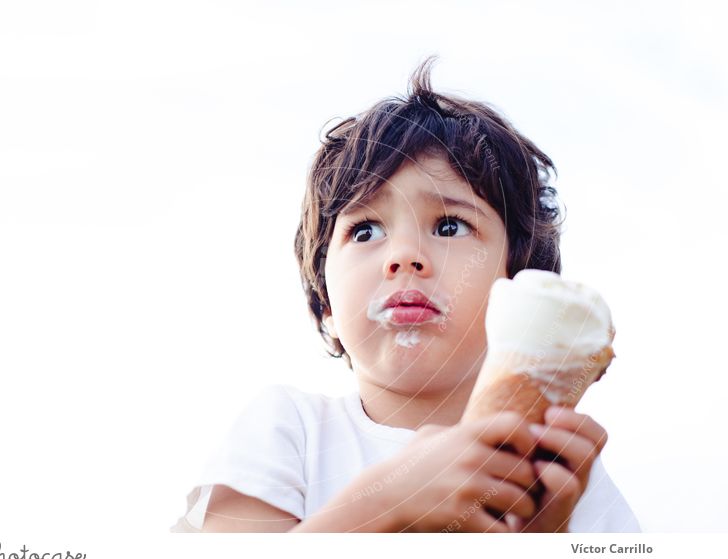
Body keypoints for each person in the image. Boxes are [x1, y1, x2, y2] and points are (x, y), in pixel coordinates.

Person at [170, 56, 641, 533]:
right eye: (366, 230)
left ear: (520, 293)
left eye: (450, 225)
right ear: (326, 305)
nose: (404, 256)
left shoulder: (572, 483)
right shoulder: (289, 430)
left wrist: (541, 535)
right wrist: (388, 503)